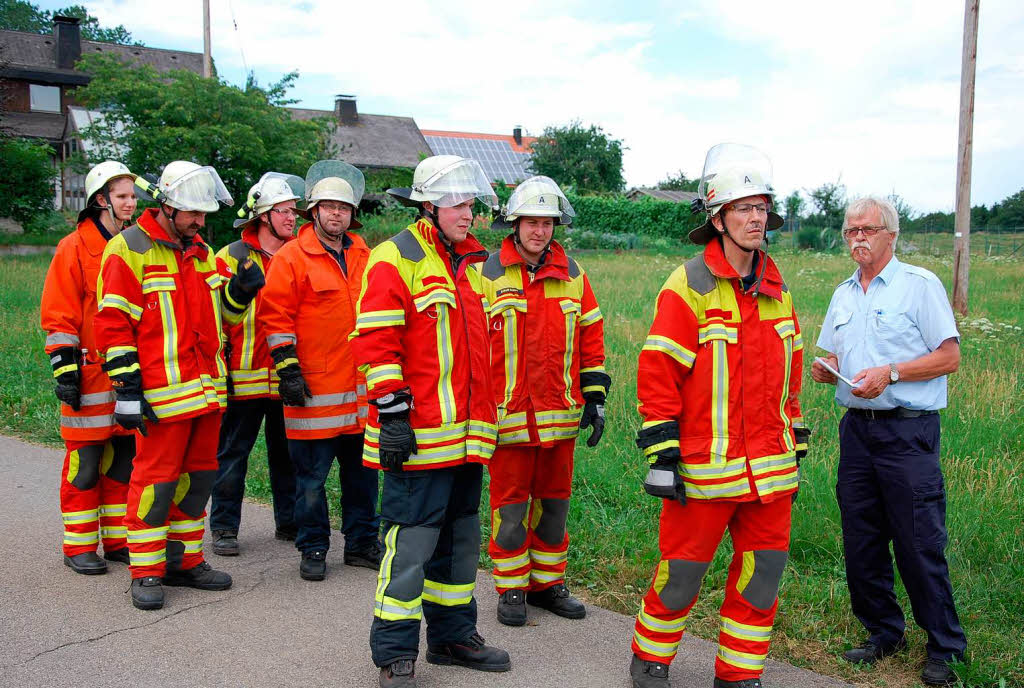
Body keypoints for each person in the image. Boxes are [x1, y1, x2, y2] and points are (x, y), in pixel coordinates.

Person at [628, 144, 809, 688]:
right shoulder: (689, 285)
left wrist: (793, 440)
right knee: (680, 574)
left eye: (761, 209)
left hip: (770, 474)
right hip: (704, 471)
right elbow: (658, 372)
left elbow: (790, 378)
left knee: (761, 578)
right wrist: (663, 454)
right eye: (742, 208)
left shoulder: (779, 291)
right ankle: (651, 657)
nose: (756, 218)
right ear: (718, 218)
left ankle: (738, 674)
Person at [352, 155, 510, 687]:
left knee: (460, 543)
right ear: (428, 205)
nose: (468, 213)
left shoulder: (474, 264)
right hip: (416, 438)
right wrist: (393, 415)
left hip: (466, 441)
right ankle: (395, 652)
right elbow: (377, 343)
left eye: (470, 203)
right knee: (411, 545)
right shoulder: (395, 258)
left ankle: (452, 636)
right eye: (457, 203)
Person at [94, 161, 264, 610]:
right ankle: (146, 572)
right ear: (167, 204)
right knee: (155, 483)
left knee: (198, 482)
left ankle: (185, 561)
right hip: (160, 397)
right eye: (192, 213)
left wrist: (240, 294)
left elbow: (220, 322)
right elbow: (112, 325)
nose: (200, 221)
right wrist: (127, 389)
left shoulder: (204, 254)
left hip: (206, 395)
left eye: (204, 214)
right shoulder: (128, 249)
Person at [811, 197, 966, 686]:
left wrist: (893, 372)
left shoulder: (918, 286)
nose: (857, 238)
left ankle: (945, 646)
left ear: (890, 235)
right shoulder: (842, 293)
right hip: (857, 431)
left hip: (907, 431)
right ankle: (883, 632)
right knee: (863, 538)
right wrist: (824, 370)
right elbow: (832, 356)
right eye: (850, 230)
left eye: (867, 229)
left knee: (919, 540)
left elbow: (949, 357)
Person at [478, 176, 609, 626]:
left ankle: (547, 585)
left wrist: (595, 398)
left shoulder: (574, 275)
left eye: (547, 222)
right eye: (531, 222)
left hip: (561, 419)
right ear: (514, 224)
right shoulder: (487, 273)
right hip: (508, 419)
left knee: (554, 506)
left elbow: (591, 338)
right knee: (510, 508)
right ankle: (511, 589)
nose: (539, 231)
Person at [259, 160, 380, 582]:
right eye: (328, 207)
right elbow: (274, 318)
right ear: (314, 211)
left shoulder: (367, 255)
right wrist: (288, 371)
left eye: (343, 208)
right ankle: (312, 547)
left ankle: (363, 544)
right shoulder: (292, 256)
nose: (336, 214)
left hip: (361, 395)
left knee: (363, 478)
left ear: (352, 214)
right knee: (309, 480)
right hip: (312, 390)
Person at [40, 161, 138, 575]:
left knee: (122, 461)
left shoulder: (134, 245)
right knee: (84, 463)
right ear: (101, 200)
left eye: (133, 195)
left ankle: (116, 540)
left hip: (126, 376)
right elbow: (59, 313)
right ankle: (79, 545)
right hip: (89, 375)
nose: (130, 203)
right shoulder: (74, 248)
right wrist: (65, 370)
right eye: (122, 196)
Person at [209, 173, 302, 557]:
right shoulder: (230, 257)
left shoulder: (298, 254)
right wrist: (221, 373)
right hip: (241, 379)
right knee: (232, 456)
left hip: (285, 377)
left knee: (289, 457)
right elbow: (214, 317)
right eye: (285, 211)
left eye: (295, 211)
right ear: (263, 214)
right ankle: (225, 528)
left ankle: (290, 522)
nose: (293, 218)